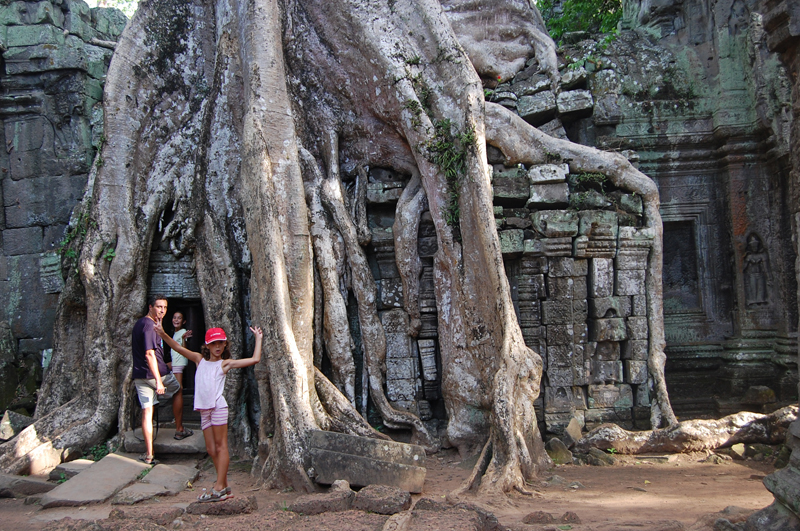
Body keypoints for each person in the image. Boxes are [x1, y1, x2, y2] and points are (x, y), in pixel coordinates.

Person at [155, 322, 263, 502]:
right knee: (211, 449)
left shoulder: (225, 364)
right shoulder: (199, 360)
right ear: (207, 346)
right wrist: (162, 333)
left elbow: (254, 359)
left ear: (225, 344)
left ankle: (219, 486)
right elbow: (176, 347)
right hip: (204, 410)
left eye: (221, 343)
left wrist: (258, 339)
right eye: (214, 344)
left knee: (221, 446)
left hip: (218, 408)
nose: (218, 347)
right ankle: (224, 485)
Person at [131, 295, 182, 465]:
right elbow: (149, 353)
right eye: (159, 307)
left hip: (140, 376)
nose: (162, 310)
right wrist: (159, 381)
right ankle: (179, 429)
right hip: (158, 374)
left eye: (165, 307)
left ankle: (149, 454)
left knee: (147, 411)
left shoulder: (142, 324)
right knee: (178, 390)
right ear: (150, 307)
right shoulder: (148, 326)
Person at [168, 311, 194, 441]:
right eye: (174, 317)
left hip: (179, 363)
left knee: (178, 390)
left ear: (184, 321)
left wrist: (184, 339)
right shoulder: (175, 333)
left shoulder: (183, 331)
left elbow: (184, 349)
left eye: (179, 318)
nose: (176, 319)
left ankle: (179, 425)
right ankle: (176, 419)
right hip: (174, 363)